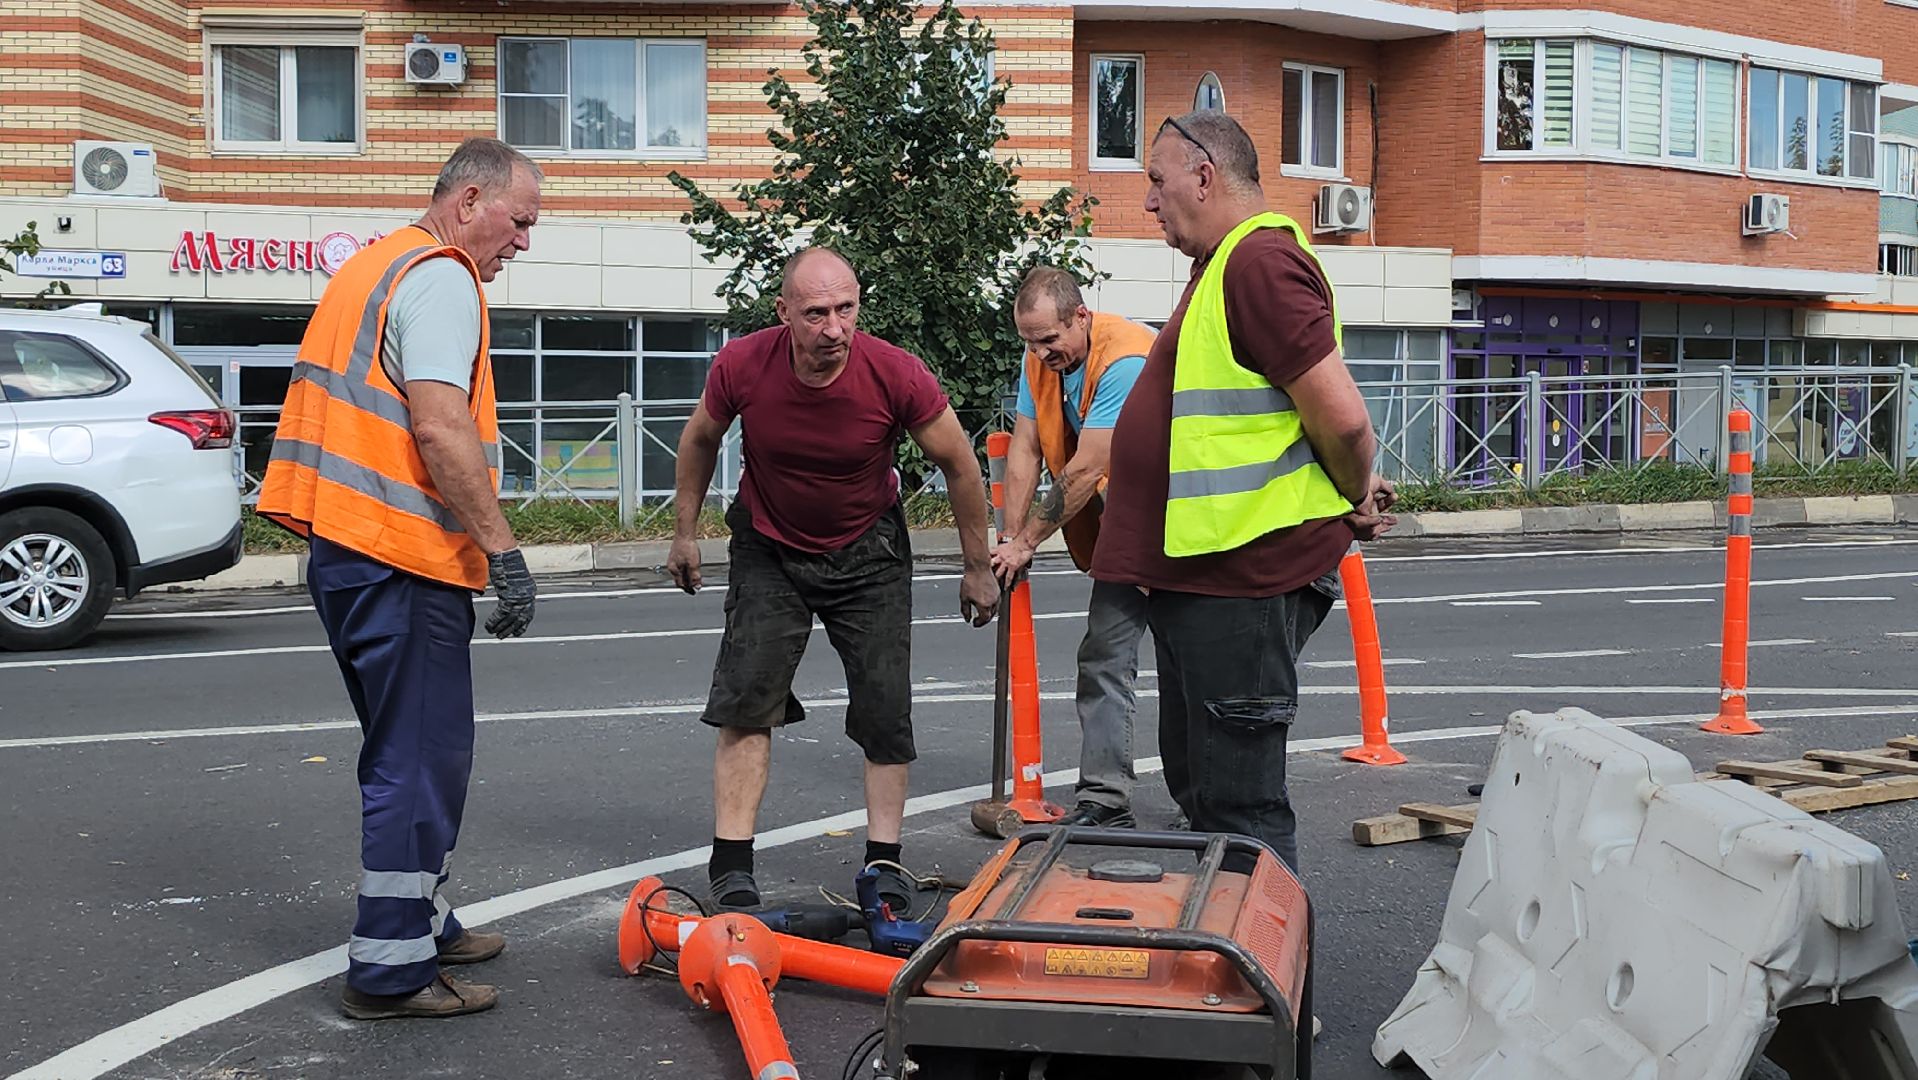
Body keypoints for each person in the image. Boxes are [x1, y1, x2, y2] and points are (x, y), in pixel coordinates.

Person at [256, 137, 543, 1021]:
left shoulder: (373, 265)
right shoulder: (443, 274)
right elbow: (441, 427)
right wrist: (503, 550)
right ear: (468, 203)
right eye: (519, 221)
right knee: (419, 760)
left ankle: (423, 918)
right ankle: (389, 969)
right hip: (400, 557)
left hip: (348, 550)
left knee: (402, 748)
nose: (523, 242)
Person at [1092, 110, 1396, 872]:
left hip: (1243, 580)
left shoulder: (1257, 263)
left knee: (1242, 812)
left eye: (1157, 183)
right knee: (1208, 793)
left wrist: (1356, 491)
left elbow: (1345, 420)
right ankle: (1231, 971)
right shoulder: (1225, 265)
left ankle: (1265, 987)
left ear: (1204, 174)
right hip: (1209, 579)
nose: (1150, 203)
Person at [666, 247, 1000, 914]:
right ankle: (731, 863)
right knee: (746, 700)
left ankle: (883, 863)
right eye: (815, 314)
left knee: (884, 709)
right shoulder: (743, 365)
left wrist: (975, 566)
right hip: (769, 544)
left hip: (868, 547)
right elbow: (700, 437)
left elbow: (961, 464)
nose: (834, 329)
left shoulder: (895, 374)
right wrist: (684, 531)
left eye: (845, 310)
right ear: (784, 311)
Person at [990, 266, 1157, 828]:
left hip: (1178, 530)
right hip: (1124, 536)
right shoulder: (1037, 361)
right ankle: (1106, 802)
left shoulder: (1127, 358)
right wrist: (1011, 539)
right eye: (1030, 341)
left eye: (1050, 339)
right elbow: (1024, 450)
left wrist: (1029, 541)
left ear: (1080, 317)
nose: (1040, 352)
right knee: (1105, 658)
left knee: (1191, 668)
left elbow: (1087, 469)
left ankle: (1204, 799)